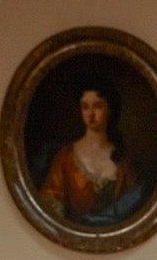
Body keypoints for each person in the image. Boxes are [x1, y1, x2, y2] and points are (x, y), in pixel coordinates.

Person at [36, 83, 145, 228]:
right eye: (85, 107)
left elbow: (134, 206)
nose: (90, 114)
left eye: (97, 106)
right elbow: (50, 203)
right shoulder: (65, 157)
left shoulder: (123, 160)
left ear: (110, 110)